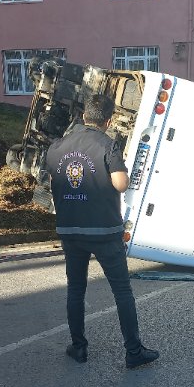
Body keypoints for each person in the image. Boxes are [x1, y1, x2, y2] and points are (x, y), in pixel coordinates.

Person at [46, 94, 159, 369]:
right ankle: (133, 351)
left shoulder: (57, 147)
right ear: (108, 121)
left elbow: (54, 181)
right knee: (121, 291)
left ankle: (79, 347)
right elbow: (121, 184)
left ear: (84, 116)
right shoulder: (108, 145)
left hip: (70, 230)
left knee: (76, 289)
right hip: (104, 230)